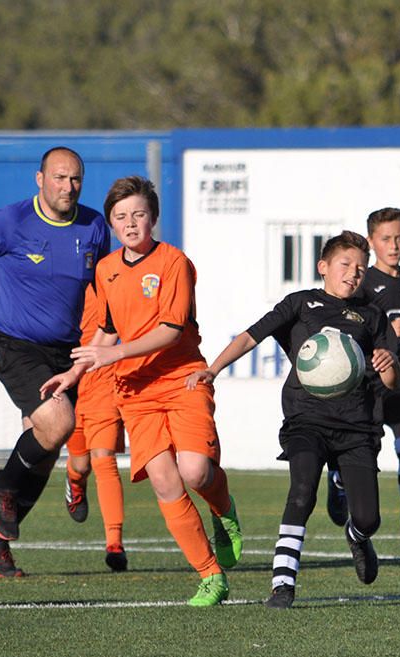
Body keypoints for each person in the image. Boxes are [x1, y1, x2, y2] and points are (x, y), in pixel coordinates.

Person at [42, 175, 242, 607]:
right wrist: (71, 376)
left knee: (195, 472)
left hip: (183, 378)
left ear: (152, 217)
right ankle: (210, 575)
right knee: (165, 482)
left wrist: (115, 356)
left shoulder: (174, 262)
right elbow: (106, 335)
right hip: (135, 391)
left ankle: (223, 509)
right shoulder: (107, 270)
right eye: (120, 217)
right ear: (112, 224)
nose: (130, 223)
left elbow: (171, 331)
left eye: (138, 214)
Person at [188, 230, 400, 610]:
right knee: (302, 491)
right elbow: (250, 337)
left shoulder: (371, 315)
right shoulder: (301, 304)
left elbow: (392, 379)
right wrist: (213, 369)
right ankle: (282, 584)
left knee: (369, 519)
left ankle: (356, 535)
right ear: (323, 267)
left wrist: (389, 365)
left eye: (361, 269)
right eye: (345, 265)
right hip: (307, 418)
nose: (354, 274)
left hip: (358, 425)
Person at [0, 146, 111, 578]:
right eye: (59, 178)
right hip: (14, 342)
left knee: (43, 449)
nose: (68, 187)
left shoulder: (95, 226)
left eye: (75, 178)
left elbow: (104, 290)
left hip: (64, 350)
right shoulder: (11, 221)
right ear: (40, 180)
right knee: (60, 422)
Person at [326, 207, 400, 551]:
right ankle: (339, 482)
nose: (395, 245)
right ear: (372, 241)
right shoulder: (362, 283)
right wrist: (385, 332)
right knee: (367, 448)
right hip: (370, 374)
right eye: (387, 238)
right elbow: (355, 322)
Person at [62, 281, 129, 572]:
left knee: (104, 460)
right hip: (68, 382)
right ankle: (75, 481)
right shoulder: (62, 282)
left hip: (103, 383)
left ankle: (115, 544)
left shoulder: (114, 280)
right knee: (81, 463)